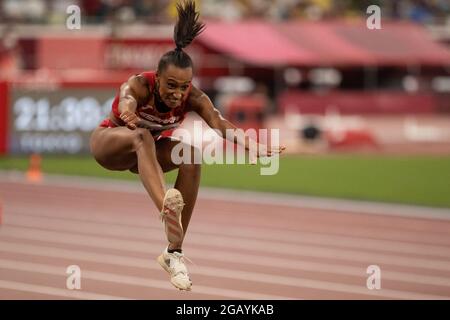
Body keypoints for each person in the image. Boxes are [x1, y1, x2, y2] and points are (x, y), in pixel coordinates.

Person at [90, 0, 285, 291]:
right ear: (156, 80)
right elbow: (127, 96)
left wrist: (250, 144)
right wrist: (129, 111)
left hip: (146, 159)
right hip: (111, 145)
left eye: (183, 87)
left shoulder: (194, 98)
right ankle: (166, 208)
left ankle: (174, 252)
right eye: (171, 85)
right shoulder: (139, 85)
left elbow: (219, 122)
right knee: (141, 135)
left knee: (191, 155)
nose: (177, 94)